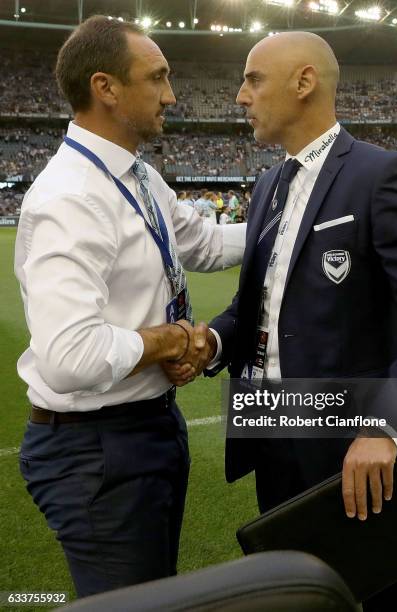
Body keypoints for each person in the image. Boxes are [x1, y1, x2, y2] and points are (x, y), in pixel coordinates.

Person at [205, 32, 397, 611]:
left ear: (304, 82)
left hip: (352, 443)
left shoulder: (379, 174)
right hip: (271, 432)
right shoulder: (269, 185)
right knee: (302, 598)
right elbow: (261, 306)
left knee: (390, 597)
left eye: (253, 79)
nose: (241, 96)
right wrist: (214, 340)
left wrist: (386, 426)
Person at [14, 16, 244, 599]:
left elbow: (209, 245)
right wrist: (169, 340)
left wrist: (298, 208)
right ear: (106, 87)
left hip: (147, 425)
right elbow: (68, 356)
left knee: (153, 594)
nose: (171, 94)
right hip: (96, 448)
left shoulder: (137, 175)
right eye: (158, 77)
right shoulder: (71, 196)